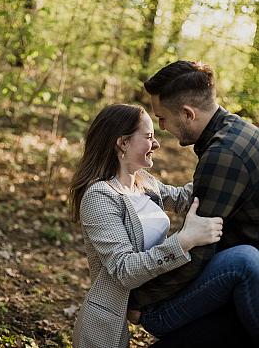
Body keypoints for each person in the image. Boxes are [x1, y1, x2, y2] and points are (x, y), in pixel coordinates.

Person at [70, 103, 259, 348]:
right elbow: (124, 270)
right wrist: (183, 241)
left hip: (168, 286)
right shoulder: (100, 196)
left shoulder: (143, 181)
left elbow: (185, 198)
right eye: (149, 137)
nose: (157, 144)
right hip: (151, 303)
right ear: (122, 143)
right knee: (242, 261)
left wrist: (235, 164)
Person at [127, 59, 259, 343]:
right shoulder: (241, 131)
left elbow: (199, 245)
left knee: (153, 316)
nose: (161, 128)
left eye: (162, 118)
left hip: (249, 278)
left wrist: (140, 300)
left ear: (188, 114)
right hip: (244, 279)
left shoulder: (222, 155)